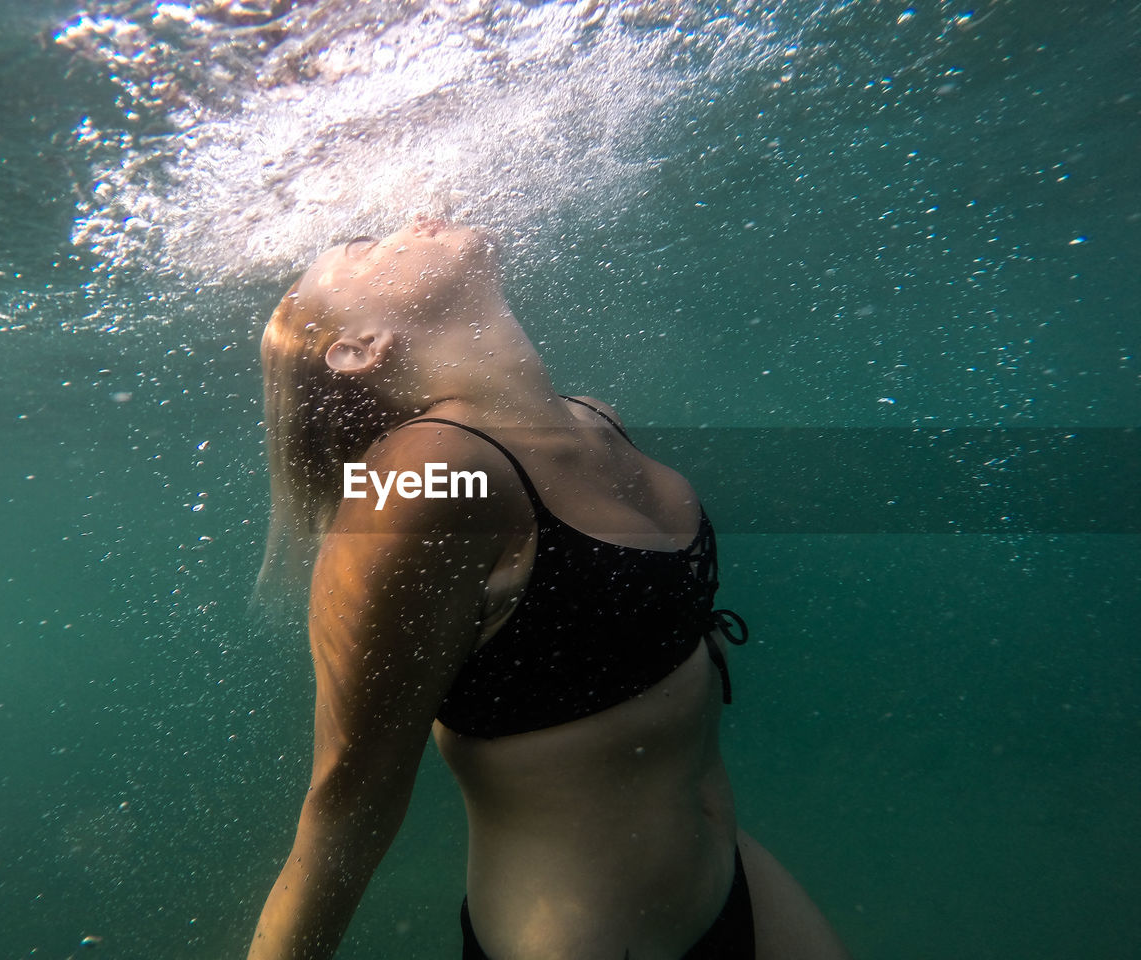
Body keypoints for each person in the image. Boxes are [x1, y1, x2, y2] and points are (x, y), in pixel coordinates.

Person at [247, 216, 850, 960]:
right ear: (358, 347)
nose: (408, 221)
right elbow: (346, 802)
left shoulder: (596, 422)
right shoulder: (426, 476)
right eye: (363, 248)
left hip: (732, 882)